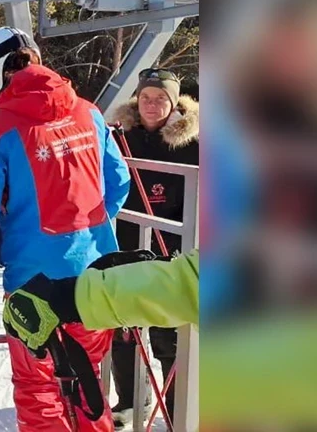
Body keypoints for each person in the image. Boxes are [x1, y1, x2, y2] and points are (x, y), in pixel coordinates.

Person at [0, 26, 131, 432]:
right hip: (96, 275)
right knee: (88, 383)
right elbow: (119, 182)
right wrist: (85, 226)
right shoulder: (89, 111)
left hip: (32, 284)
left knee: (39, 390)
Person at [107, 68, 199, 428]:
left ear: (174, 103)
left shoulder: (193, 144)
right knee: (124, 329)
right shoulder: (120, 136)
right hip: (127, 246)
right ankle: (131, 402)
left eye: (161, 98)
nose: (151, 104)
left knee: (167, 335)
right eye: (146, 97)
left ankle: (176, 407)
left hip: (171, 250)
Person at [2, 250, 199, 349]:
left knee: (39, 385)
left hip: (30, 276)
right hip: (89, 260)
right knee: (85, 387)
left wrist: (71, 297)